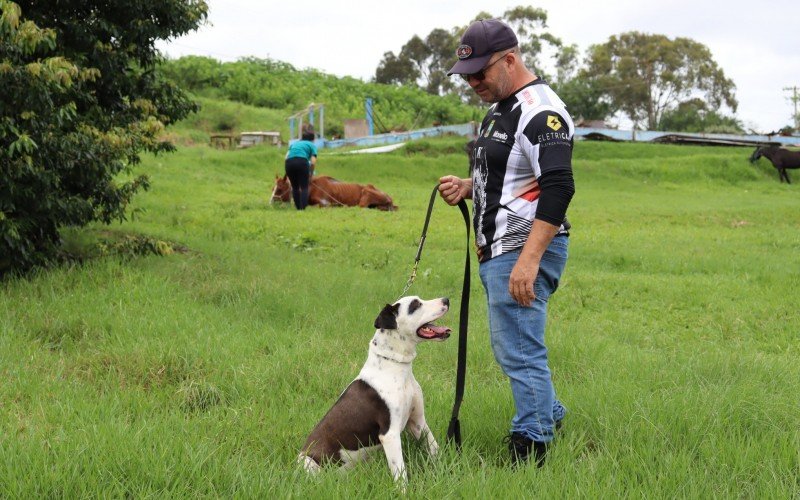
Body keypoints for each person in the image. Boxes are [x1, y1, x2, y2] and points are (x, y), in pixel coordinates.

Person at [438, 18, 575, 467]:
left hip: (522, 248)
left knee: (518, 349)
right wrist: (467, 184)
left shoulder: (541, 112)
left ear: (510, 59)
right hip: (500, 248)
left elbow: (558, 188)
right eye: (467, 75)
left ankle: (532, 442)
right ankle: (549, 413)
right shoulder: (501, 105)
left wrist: (528, 261)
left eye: (480, 72)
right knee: (516, 344)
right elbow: (511, 174)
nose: (473, 82)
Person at [284, 130, 318, 210]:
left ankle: (298, 208)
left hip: (289, 163)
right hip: (302, 162)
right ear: (313, 140)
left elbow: (286, 158)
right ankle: (303, 208)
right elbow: (313, 162)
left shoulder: (294, 144)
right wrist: (311, 173)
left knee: (295, 187)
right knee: (304, 187)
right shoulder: (311, 145)